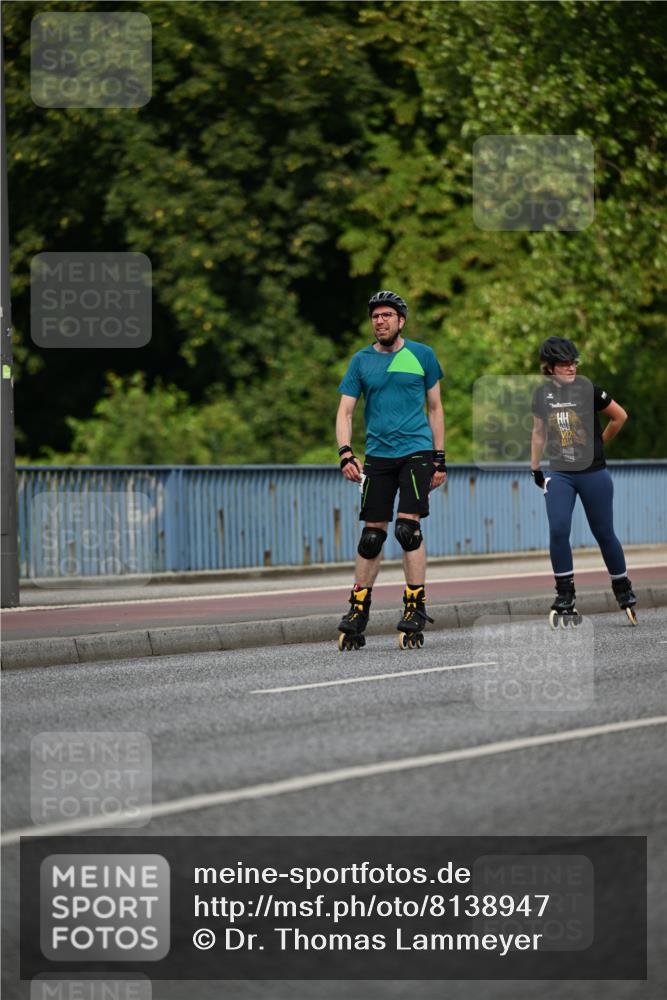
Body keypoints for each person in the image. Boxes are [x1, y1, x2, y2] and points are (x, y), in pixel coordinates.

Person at [335, 290, 447, 648]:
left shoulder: (422, 355)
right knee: (371, 536)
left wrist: (440, 457)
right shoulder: (361, 361)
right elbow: (345, 412)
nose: (379, 321)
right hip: (378, 457)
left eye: (386, 315)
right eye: (375, 316)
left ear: (401, 320)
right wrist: (346, 454)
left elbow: (435, 409)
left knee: (407, 530)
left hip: (416, 451)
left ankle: (415, 606)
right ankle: (358, 608)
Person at [530, 336, 637, 624]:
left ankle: (623, 588)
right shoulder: (542, 395)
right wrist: (535, 467)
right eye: (564, 364)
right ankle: (565, 593)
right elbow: (538, 432)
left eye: (573, 363)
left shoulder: (588, 389)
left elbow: (620, 416)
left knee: (604, 533)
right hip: (560, 473)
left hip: (593, 473)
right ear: (550, 367)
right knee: (559, 529)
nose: (571, 368)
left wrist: (600, 443)